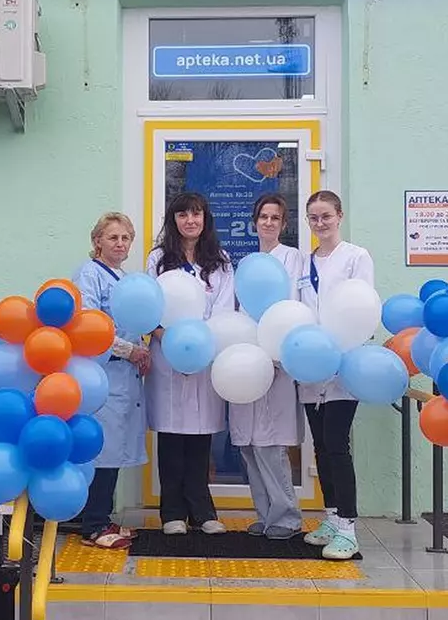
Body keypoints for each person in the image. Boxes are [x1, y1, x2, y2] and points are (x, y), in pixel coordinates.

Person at [146, 192, 234, 535]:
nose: (190, 221)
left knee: (200, 438)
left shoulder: (221, 261)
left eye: (196, 214)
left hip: (205, 357)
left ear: (205, 219)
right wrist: (170, 341)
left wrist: (199, 347)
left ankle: (202, 511)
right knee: (171, 438)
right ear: (174, 220)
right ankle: (171, 513)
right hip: (167, 356)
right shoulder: (158, 259)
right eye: (182, 215)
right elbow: (150, 309)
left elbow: (223, 311)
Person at [298, 189, 375, 561]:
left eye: (326, 216)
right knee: (320, 446)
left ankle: (348, 527)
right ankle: (330, 518)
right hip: (311, 367)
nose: (320, 223)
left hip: (344, 366)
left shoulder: (356, 257)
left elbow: (361, 308)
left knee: (336, 444)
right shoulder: (305, 263)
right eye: (313, 217)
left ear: (339, 216)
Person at [72, 212, 150, 549]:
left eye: (125, 238)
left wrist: (141, 349)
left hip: (124, 376)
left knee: (115, 448)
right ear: (97, 241)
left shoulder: (125, 279)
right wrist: (130, 350)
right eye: (112, 237)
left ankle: (103, 516)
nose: (120, 244)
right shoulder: (89, 275)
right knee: (101, 449)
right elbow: (89, 326)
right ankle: (93, 524)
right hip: (102, 375)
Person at [229, 194, 304, 539]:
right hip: (246, 362)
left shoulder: (293, 259)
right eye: (263, 217)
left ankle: (287, 516)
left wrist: (276, 353)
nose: (269, 222)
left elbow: (293, 308)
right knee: (248, 444)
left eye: (275, 217)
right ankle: (264, 514)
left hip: (277, 362)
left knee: (271, 444)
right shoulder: (247, 263)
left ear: (283, 224)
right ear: (255, 222)